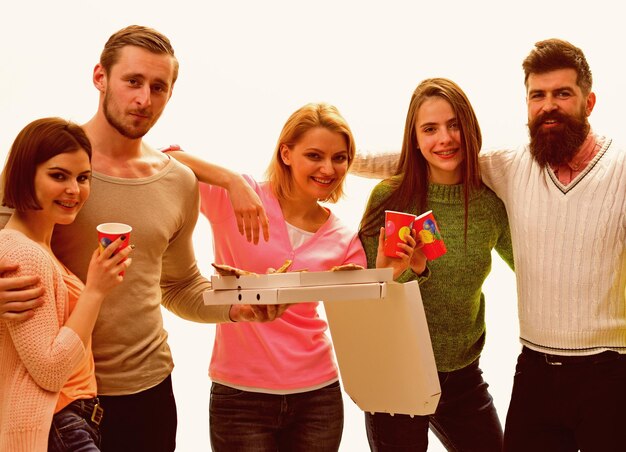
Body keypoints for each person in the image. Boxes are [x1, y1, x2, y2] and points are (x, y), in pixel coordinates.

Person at [0, 25, 285, 452]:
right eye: (132, 81)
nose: (143, 100)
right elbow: (9, 245)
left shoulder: (180, 182)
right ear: (100, 77)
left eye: (159, 87)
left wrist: (236, 307)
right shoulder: (46, 164)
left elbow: (178, 285)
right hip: (56, 401)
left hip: (148, 390)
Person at [351, 39, 626, 452]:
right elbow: (370, 293)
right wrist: (336, 158)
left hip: (496, 375)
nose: (445, 139)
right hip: (413, 375)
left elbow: (533, 264)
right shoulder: (401, 197)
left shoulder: (496, 191)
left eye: (562, 94)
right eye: (538, 95)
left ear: (588, 101)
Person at [166, 102, 416, 451]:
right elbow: (162, 159)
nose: (328, 168)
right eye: (314, 155)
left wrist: (387, 272)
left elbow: (364, 325)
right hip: (240, 397)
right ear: (286, 153)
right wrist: (232, 181)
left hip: (318, 398)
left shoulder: (342, 236)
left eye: (339, 158)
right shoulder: (239, 199)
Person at [358, 78, 513, 452]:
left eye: (454, 124)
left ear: (470, 128)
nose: (444, 138)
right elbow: (361, 297)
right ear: (414, 139)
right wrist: (404, 273)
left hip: (463, 376)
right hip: (397, 376)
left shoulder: (491, 205)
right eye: (430, 129)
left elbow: (533, 268)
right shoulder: (389, 197)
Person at [0, 117, 132, 451]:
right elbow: (50, 369)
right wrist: (96, 290)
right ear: (24, 175)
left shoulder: (39, 248)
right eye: (58, 176)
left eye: (83, 177)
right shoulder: (26, 255)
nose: (75, 190)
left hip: (69, 423)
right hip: (59, 425)